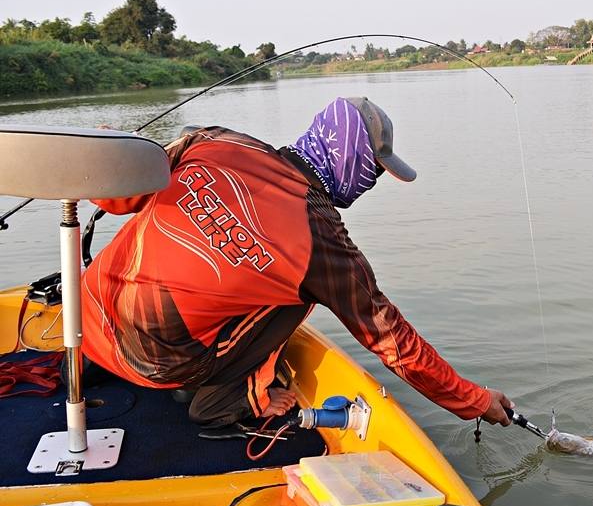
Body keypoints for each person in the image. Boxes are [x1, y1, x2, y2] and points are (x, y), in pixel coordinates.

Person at [80, 97, 513, 429]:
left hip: (86, 321)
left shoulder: (214, 140)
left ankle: (87, 366)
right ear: (352, 159)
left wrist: (112, 148)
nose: (372, 183)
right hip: (151, 364)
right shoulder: (322, 241)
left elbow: (121, 194)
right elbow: (392, 340)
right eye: (375, 170)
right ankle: (238, 398)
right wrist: (474, 400)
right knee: (300, 294)